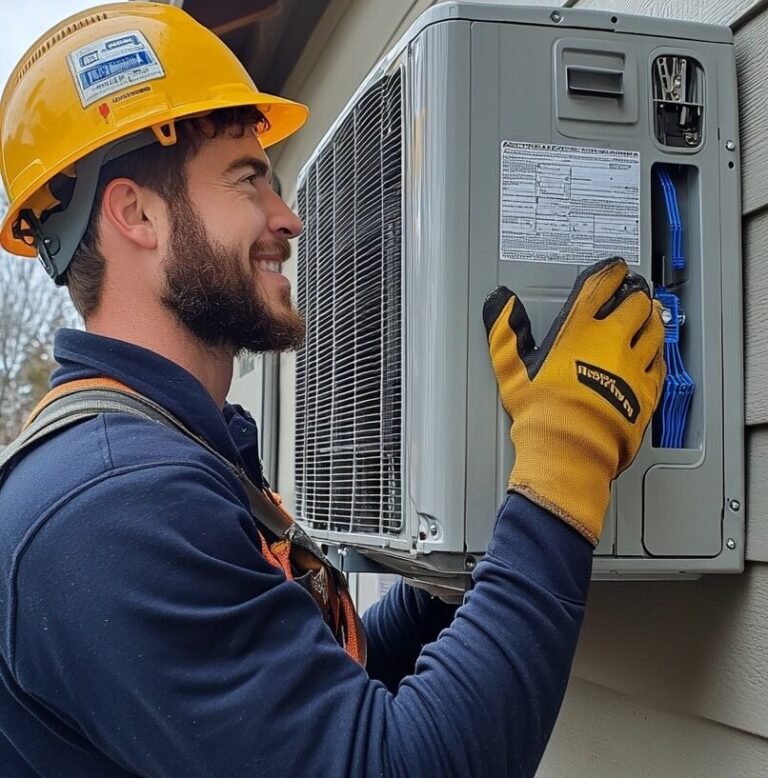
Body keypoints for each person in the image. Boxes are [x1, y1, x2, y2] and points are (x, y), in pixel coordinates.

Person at [0, 4, 666, 777]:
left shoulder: (160, 456)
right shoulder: (114, 506)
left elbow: (321, 701)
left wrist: (482, 549)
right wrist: (569, 455)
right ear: (136, 213)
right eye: (248, 180)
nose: (289, 219)